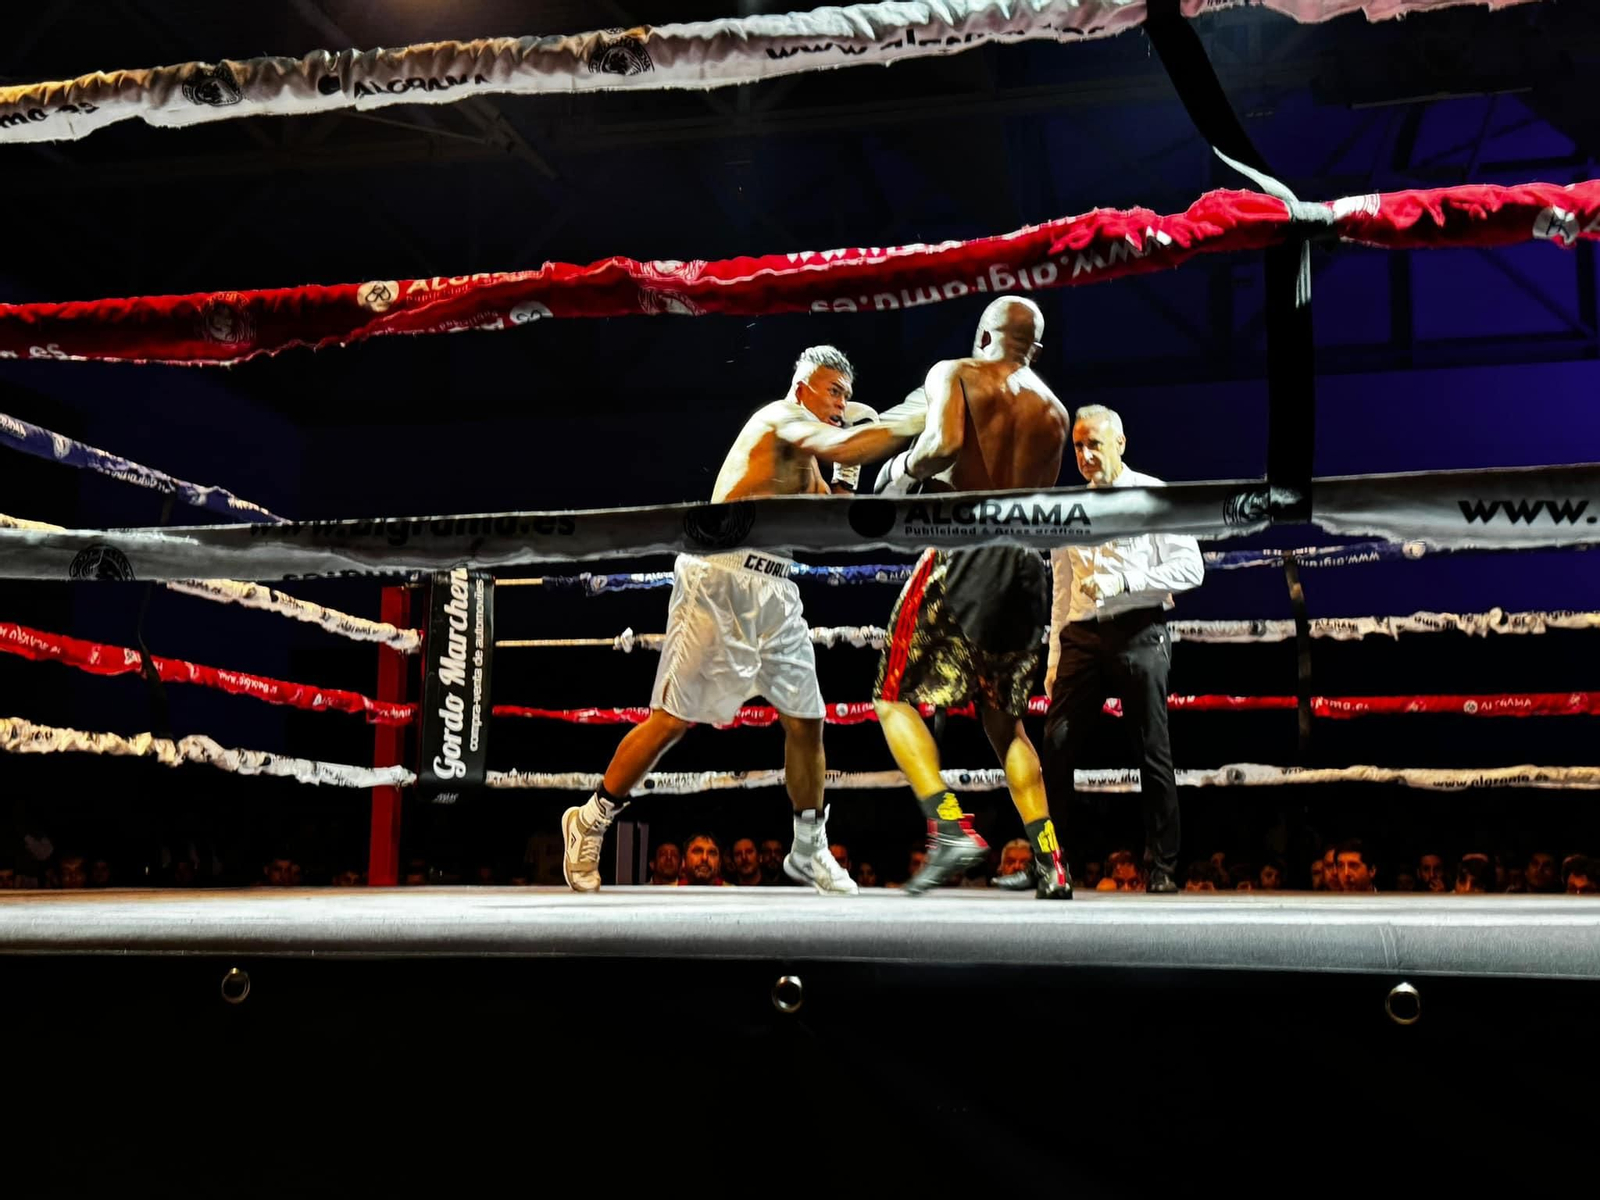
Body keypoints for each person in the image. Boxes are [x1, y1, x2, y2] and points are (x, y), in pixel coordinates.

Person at [560, 346, 922, 895]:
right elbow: (843, 439)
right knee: (672, 721)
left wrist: (847, 471)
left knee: (807, 720)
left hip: (776, 589)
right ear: (802, 386)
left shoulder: (809, 456)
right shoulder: (778, 419)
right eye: (833, 391)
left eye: (846, 395)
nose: (840, 402)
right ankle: (590, 819)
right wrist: (915, 417)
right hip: (719, 579)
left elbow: (828, 526)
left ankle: (808, 848)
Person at [870, 297, 1072, 899]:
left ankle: (949, 825)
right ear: (1034, 344)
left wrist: (901, 473)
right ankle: (1050, 864)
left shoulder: (955, 371)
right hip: (1026, 569)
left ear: (984, 332)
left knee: (892, 699)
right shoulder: (1055, 412)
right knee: (1004, 723)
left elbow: (941, 443)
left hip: (964, 551)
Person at [1041, 404, 1204, 895]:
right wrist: (1053, 657)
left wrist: (1127, 580)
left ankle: (1164, 868)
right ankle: (1053, 863)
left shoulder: (1153, 495)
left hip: (1139, 632)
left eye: (1095, 444)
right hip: (1081, 637)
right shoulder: (1066, 508)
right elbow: (1061, 589)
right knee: (1055, 745)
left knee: (1152, 751)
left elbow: (1190, 570)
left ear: (1120, 443)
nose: (1086, 455)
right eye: (1078, 446)